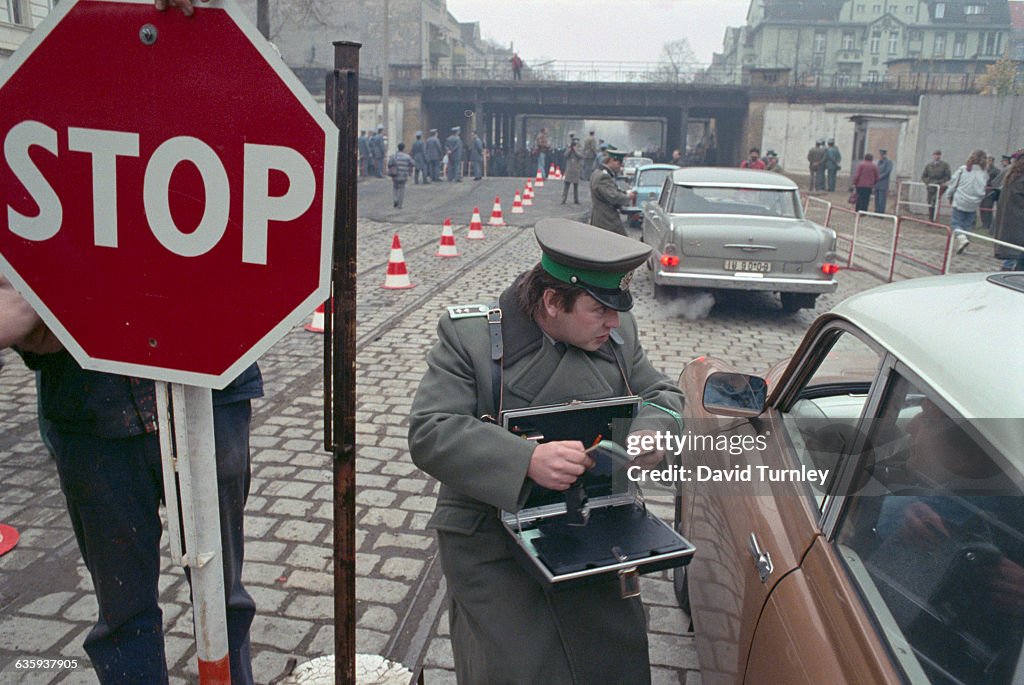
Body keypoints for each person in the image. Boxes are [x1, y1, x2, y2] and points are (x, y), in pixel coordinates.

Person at [408, 218, 685, 685]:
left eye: (617, 309)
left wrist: (651, 431)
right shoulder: (472, 340)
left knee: (616, 659)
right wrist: (525, 460)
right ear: (553, 302)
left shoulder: (617, 337)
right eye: (599, 309)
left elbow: (663, 395)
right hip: (492, 535)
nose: (614, 322)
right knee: (517, 669)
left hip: (591, 524)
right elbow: (431, 431)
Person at [944, 149, 988, 254]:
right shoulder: (984, 173)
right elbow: (983, 188)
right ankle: (965, 246)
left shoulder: (963, 170)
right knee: (967, 225)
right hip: (974, 202)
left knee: (956, 223)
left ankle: (962, 240)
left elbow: (954, 183)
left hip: (960, 199)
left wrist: (949, 195)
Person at [589, 146, 635, 236]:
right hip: (607, 220)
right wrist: (627, 197)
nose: (621, 166)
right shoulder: (603, 177)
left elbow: (612, 190)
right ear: (611, 160)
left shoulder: (599, 173)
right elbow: (613, 196)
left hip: (602, 218)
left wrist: (625, 193)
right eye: (619, 162)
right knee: (624, 245)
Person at [994, 149, 1024, 271]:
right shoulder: (1019, 179)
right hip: (1018, 225)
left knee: (1011, 259)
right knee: (1014, 261)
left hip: (1009, 225)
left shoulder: (1012, 176)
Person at [921, 149, 952, 220]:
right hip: (930, 187)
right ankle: (931, 218)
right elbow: (924, 176)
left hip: (939, 187)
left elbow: (948, 176)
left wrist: (940, 182)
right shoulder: (929, 165)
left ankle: (934, 218)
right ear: (933, 156)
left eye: (938, 155)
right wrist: (928, 182)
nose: (937, 156)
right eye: (935, 155)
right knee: (929, 202)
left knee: (934, 201)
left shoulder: (944, 165)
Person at [387, 142, 415, 209]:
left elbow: (389, 164)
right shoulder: (407, 156)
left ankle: (395, 199)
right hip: (404, 175)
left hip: (395, 175)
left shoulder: (394, 156)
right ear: (403, 148)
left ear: (398, 148)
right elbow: (413, 164)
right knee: (402, 189)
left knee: (395, 188)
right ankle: (399, 205)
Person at [979, 155, 1002, 230]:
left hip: (990, 191)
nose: (988, 162)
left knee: (988, 207)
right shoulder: (985, 169)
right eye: (987, 160)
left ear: (992, 161)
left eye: (990, 160)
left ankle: (988, 224)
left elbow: (997, 180)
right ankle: (983, 223)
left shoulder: (996, 170)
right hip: (983, 190)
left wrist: (991, 186)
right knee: (982, 207)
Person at [561, 138, 583, 204]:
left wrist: (575, 150)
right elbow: (565, 155)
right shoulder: (569, 149)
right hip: (569, 169)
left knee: (576, 186)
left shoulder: (579, 149)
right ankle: (563, 199)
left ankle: (576, 199)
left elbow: (581, 156)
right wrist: (570, 149)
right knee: (566, 185)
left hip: (576, 170)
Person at [874, 148, 893, 214]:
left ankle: (881, 212)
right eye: (880, 154)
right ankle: (876, 211)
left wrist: (879, 177)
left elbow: (887, 172)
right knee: (877, 198)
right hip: (877, 184)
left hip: (883, 183)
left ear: (885, 155)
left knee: (882, 199)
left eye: (882, 155)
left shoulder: (888, 162)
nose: (881, 156)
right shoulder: (879, 162)